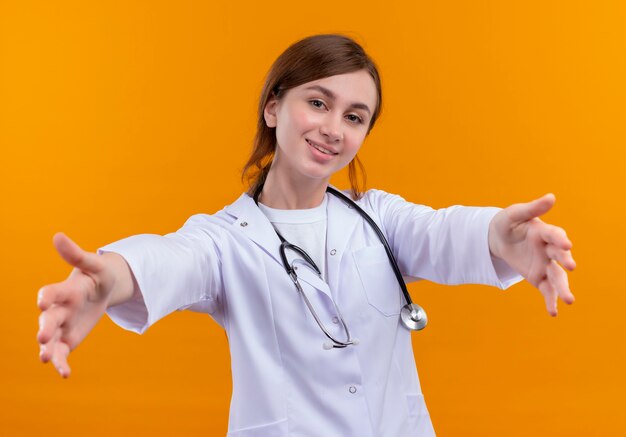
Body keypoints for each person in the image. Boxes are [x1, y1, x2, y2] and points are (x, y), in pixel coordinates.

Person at [37, 34, 576, 436]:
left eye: (355, 116)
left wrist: (501, 238)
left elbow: (445, 232)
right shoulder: (226, 241)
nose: (333, 129)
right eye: (317, 102)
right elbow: (170, 259)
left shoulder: (380, 220)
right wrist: (104, 280)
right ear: (274, 107)